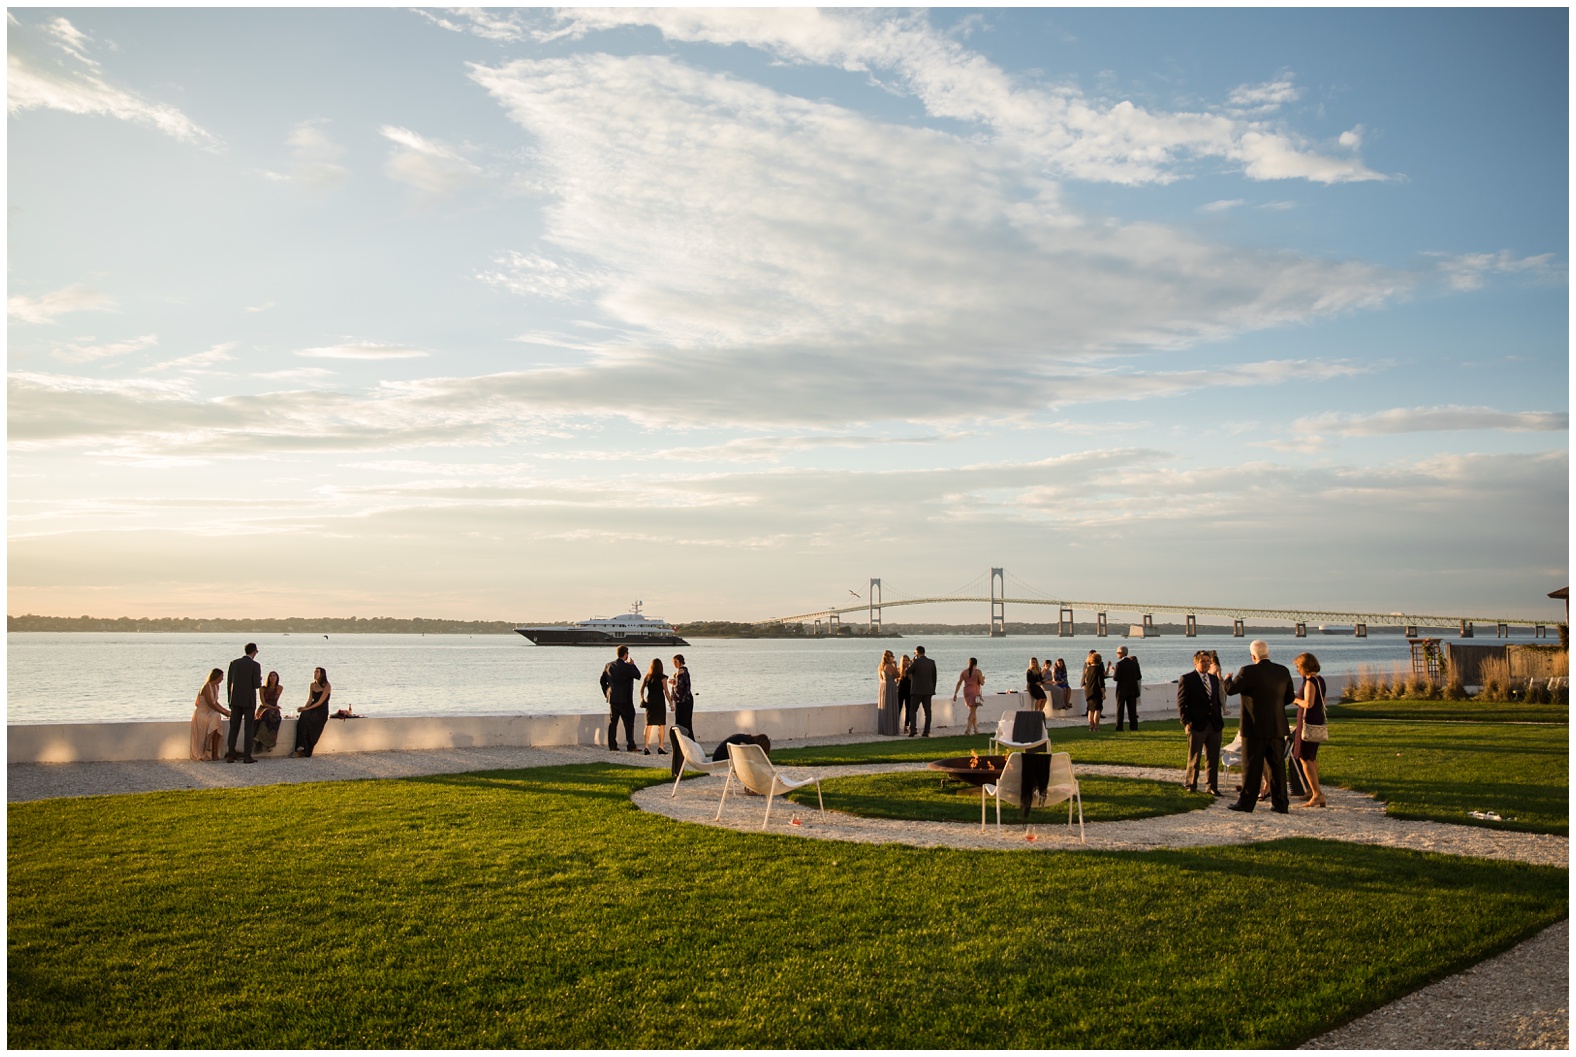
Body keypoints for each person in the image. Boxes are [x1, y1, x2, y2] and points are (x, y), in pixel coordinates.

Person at [1224, 641, 1294, 814]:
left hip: (1254, 727)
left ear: (1253, 656)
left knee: (1251, 766)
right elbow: (1289, 697)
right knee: (1277, 766)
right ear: (1267, 653)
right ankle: (1280, 804)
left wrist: (1226, 679)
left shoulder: (1247, 671)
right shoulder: (1282, 671)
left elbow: (1230, 690)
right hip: (1276, 726)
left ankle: (1246, 803)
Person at [1176, 650, 1225, 795]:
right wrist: (1186, 722)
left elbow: (1216, 701)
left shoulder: (1213, 679)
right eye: (1202, 661)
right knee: (1195, 756)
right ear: (1196, 662)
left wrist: (1219, 718)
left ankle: (1212, 786)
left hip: (1214, 724)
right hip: (1196, 724)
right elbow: (1182, 703)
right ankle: (1191, 784)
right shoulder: (1187, 679)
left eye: (1208, 661)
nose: (1206, 664)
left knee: (1213, 757)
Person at [1292, 652, 1328, 808]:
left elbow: (1308, 703)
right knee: (1312, 757)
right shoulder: (1320, 680)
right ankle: (1313, 790)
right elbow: (1322, 701)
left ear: (1305, 666)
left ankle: (1316, 794)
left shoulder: (1309, 682)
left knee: (1304, 757)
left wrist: (1294, 699)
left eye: (1298, 666)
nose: (1297, 669)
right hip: (1317, 720)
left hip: (1308, 722)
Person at [225, 642, 263, 763]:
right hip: (248, 701)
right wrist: (260, 679)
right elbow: (256, 684)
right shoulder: (255, 665)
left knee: (233, 728)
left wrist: (229, 700)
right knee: (248, 728)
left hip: (235, 700)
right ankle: (247, 756)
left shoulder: (234, 663)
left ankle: (231, 754)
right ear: (254, 651)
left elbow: (229, 683)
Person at [599, 646, 642, 752]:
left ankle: (612, 745)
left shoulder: (609, 665)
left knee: (613, 722)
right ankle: (630, 745)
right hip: (625, 699)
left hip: (613, 698)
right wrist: (633, 665)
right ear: (625, 654)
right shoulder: (627, 667)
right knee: (629, 722)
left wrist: (607, 693)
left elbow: (602, 681)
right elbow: (638, 675)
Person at [290, 667, 332, 758]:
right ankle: (301, 746)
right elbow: (310, 700)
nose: (315, 673)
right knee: (303, 718)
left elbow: (320, 702)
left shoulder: (327, 685)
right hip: (312, 707)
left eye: (317, 672)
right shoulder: (312, 685)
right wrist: (304, 708)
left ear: (321, 674)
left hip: (321, 709)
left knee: (309, 719)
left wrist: (307, 709)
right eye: (314, 671)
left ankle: (308, 748)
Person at [190, 668, 230, 761]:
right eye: (221, 677)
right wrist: (224, 712)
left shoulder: (216, 686)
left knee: (216, 717)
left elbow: (215, 702)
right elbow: (210, 703)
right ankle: (209, 746)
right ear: (216, 676)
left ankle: (212, 749)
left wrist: (226, 711)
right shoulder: (206, 686)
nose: (222, 679)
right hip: (202, 712)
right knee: (216, 716)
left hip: (211, 711)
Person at [907, 645, 938, 737]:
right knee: (927, 712)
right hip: (928, 691)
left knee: (912, 710)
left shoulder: (915, 662)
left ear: (917, 653)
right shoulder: (931, 662)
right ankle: (926, 730)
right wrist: (932, 689)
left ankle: (913, 729)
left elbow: (907, 672)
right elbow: (934, 677)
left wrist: (910, 663)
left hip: (916, 691)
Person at [641, 658, 669, 756]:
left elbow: (641, 689)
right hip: (660, 702)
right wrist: (671, 703)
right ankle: (661, 746)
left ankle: (646, 747)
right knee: (661, 725)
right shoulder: (663, 677)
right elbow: (666, 691)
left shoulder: (648, 677)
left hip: (650, 701)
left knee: (648, 725)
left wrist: (642, 699)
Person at [1111, 646, 1143, 731]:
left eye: (1117, 653)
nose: (1117, 654)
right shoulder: (1134, 664)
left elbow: (1116, 678)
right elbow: (1139, 676)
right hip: (1132, 689)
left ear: (1121, 653)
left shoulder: (1119, 664)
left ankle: (1119, 727)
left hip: (1122, 690)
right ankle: (1133, 727)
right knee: (1132, 710)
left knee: (1120, 710)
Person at [254, 671, 284, 754]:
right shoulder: (262, 689)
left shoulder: (279, 688)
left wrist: (274, 708)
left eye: (274, 676)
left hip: (274, 710)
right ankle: (260, 739)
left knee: (274, 718)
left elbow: (274, 700)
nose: (272, 677)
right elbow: (264, 703)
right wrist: (273, 707)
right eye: (271, 676)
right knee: (266, 714)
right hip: (264, 708)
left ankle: (264, 741)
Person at [953, 658, 984, 735]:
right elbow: (982, 683)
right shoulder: (978, 672)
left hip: (966, 692)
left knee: (973, 712)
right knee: (972, 712)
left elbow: (959, 683)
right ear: (975, 664)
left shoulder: (964, 672)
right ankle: (968, 730)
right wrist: (983, 678)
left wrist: (955, 693)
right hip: (974, 692)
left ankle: (976, 730)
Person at [876, 650, 901, 736]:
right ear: (888, 657)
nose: (893, 657)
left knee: (884, 706)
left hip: (883, 686)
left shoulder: (880, 667)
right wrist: (895, 666)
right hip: (890, 687)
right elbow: (898, 675)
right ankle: (891, 729)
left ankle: (883, 728)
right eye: (892, 656)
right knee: (890, 706)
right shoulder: (889, 666)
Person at [670, 654, 695, 735]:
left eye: (676, 662)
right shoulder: (685, 670)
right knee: (687, 723)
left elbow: (678, 689)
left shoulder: (680, 672)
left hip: (682, 701)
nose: (674, 663)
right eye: (673, 662)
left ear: (680, 662)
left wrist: (673, 684)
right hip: (688, 699)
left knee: (681, 723)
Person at [1082, 651, 1106, 731]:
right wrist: (1103, 693)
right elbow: (1101, 683)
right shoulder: (1099, 669)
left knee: (1090, 710)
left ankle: (1090, 726)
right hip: (1097, 691)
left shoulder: (1087, 669)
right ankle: (1096, 726)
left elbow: (1086, 680)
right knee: (1097, 709)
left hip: (1089, 691)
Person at [897, 654, 913, 735]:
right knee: (898, 708)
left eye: (906, 660)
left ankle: (906, 726)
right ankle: (896, 725)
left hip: (908, 690)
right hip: (900, 690)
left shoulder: (910, 670)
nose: (905, 662)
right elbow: (897, 680)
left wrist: (909, 667)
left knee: (908, 708)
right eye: (904, 660)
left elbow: (911, 678)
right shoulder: (899, 669)